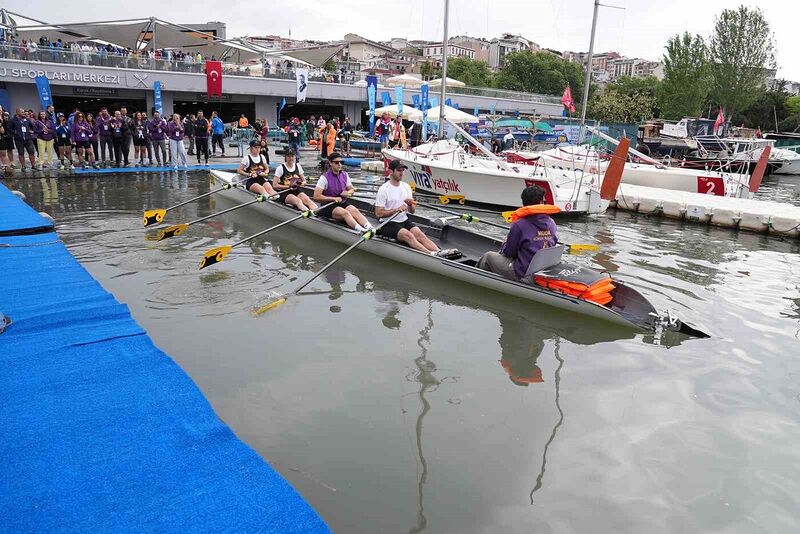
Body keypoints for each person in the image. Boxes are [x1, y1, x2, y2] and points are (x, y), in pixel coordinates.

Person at [476, 185, 558, 281]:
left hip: (522, 272)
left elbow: (509, 253)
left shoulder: (519, 225)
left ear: (524, 203)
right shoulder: (552, 223)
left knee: (488, 257)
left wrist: (505, 245)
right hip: (542, 270)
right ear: (541, 203)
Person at [375, 159, 450, 255]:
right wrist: (395, 210)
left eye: (403, 170)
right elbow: (378, 214)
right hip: (387, 223)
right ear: (391, 172)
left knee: (419, 234)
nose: (401, 173)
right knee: (408, 235)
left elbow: (412, 211)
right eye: (398, 170)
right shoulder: (383, 189)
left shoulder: (406, 187)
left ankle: (439, 252)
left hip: (403, 220)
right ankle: (431, 255)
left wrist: (410, 204)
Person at [313, 152, 373, 232]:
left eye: (341, 162)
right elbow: (316, 196)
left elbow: (352, 189)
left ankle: (370, 228)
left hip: (342, 203)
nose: (339, 164)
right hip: (328, 206)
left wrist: (348, 193)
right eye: (337, 162)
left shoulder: (345, 175)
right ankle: (361, 230)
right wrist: (333, 199)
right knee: (345, 213)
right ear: (330, 163)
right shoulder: (324, 178)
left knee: (355, 210)